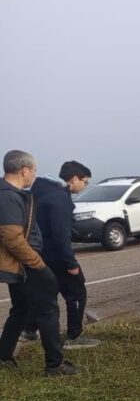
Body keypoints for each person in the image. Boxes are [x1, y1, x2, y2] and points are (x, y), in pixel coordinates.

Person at [0, 150, 78, 376]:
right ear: (24, 170)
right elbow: (12, 239)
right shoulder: (7, 196)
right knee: (48, 310)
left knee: (22, 310)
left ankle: (3, 355)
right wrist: (39, 265)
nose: (34, 175)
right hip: (26, 264)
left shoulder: (11, 193)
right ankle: (55, 365)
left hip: (21, 264)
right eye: (33, 170)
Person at [23, 161, 99, 349]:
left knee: (47, 290)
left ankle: (29, 329)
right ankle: (74, 337)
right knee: (77, 291)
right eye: (85, 181)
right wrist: (70, 263)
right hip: (57, 255)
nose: (85, 186)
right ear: (74, 179)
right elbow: (60, 234)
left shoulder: (40, 191)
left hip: (39, 252)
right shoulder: (60, 198)